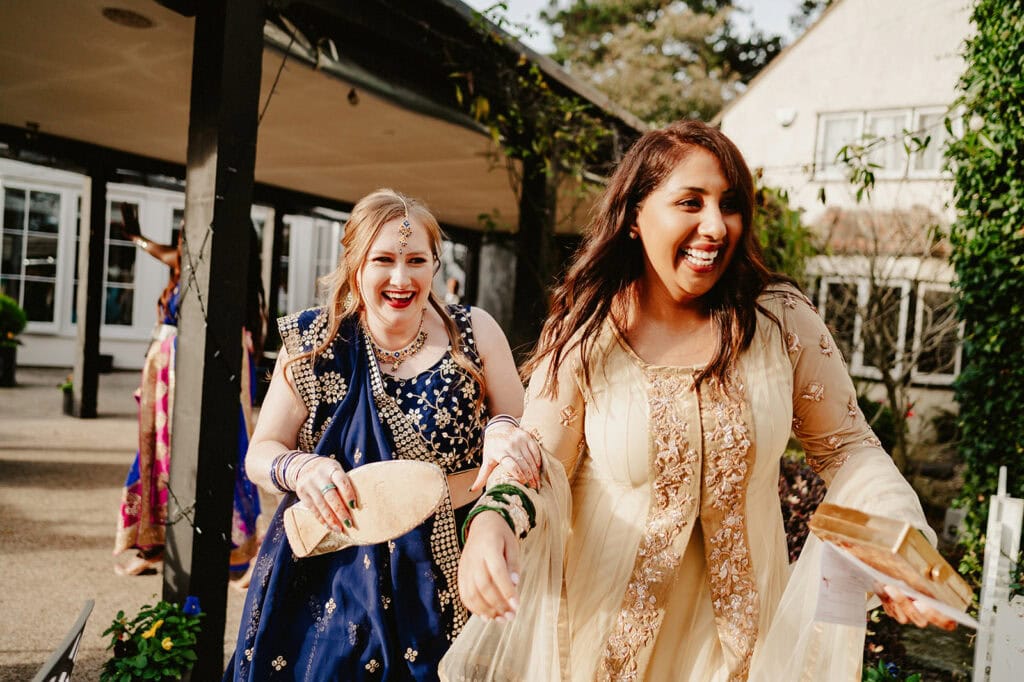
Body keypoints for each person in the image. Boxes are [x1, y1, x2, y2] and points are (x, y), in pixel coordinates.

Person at [442, 120, 955, 681]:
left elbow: (849, 449)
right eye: (690, 202)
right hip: (602, 648)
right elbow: (535, 462)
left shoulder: (779, 320)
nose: (715, 226)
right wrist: (491, 521)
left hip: (748, 653)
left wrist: (900, 550)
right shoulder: (588, 334)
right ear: (635, 216)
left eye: (729, 204)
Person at [224, 188, 540, 680]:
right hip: (332, 569)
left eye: (416, 259)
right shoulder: (316, 342)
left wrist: (502, 429)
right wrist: (301, 466)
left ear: (435, 265)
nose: (401, 278)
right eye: (384, 260)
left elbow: (522, 427)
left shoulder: (473, 333)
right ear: (355, 264)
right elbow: (260, 453)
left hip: (452, 559)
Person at [112, 204, 265, 578]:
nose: (181, 239)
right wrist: (137, 237)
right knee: (159, 454)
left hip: (204, 372)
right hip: (166, 379)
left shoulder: (227, 278)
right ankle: (155, 540)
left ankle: (235, 549)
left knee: (220, 450)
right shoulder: (187, 266)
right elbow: (167, 253)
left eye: (187, 232)